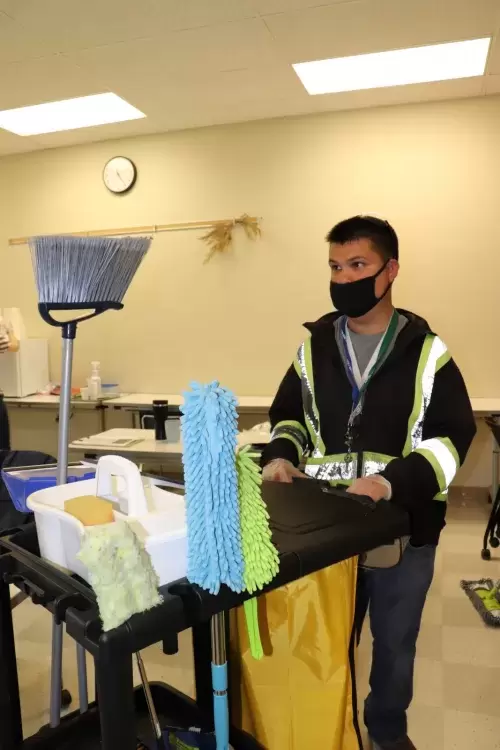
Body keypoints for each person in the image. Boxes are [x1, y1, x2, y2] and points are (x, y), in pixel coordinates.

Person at [261, 215, 476, 750]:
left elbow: (452, 440)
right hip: (325, 529)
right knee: (325, 644)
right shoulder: (313, 350)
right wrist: (282, 455)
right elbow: (288, 418)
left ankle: (386, 730)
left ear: (390, 270)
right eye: (335, 267)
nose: (344, 278)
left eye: (358, 265)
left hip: (402, 531)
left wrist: (389, 484)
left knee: (395, 647)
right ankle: (331, 731)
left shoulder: (426, 352)